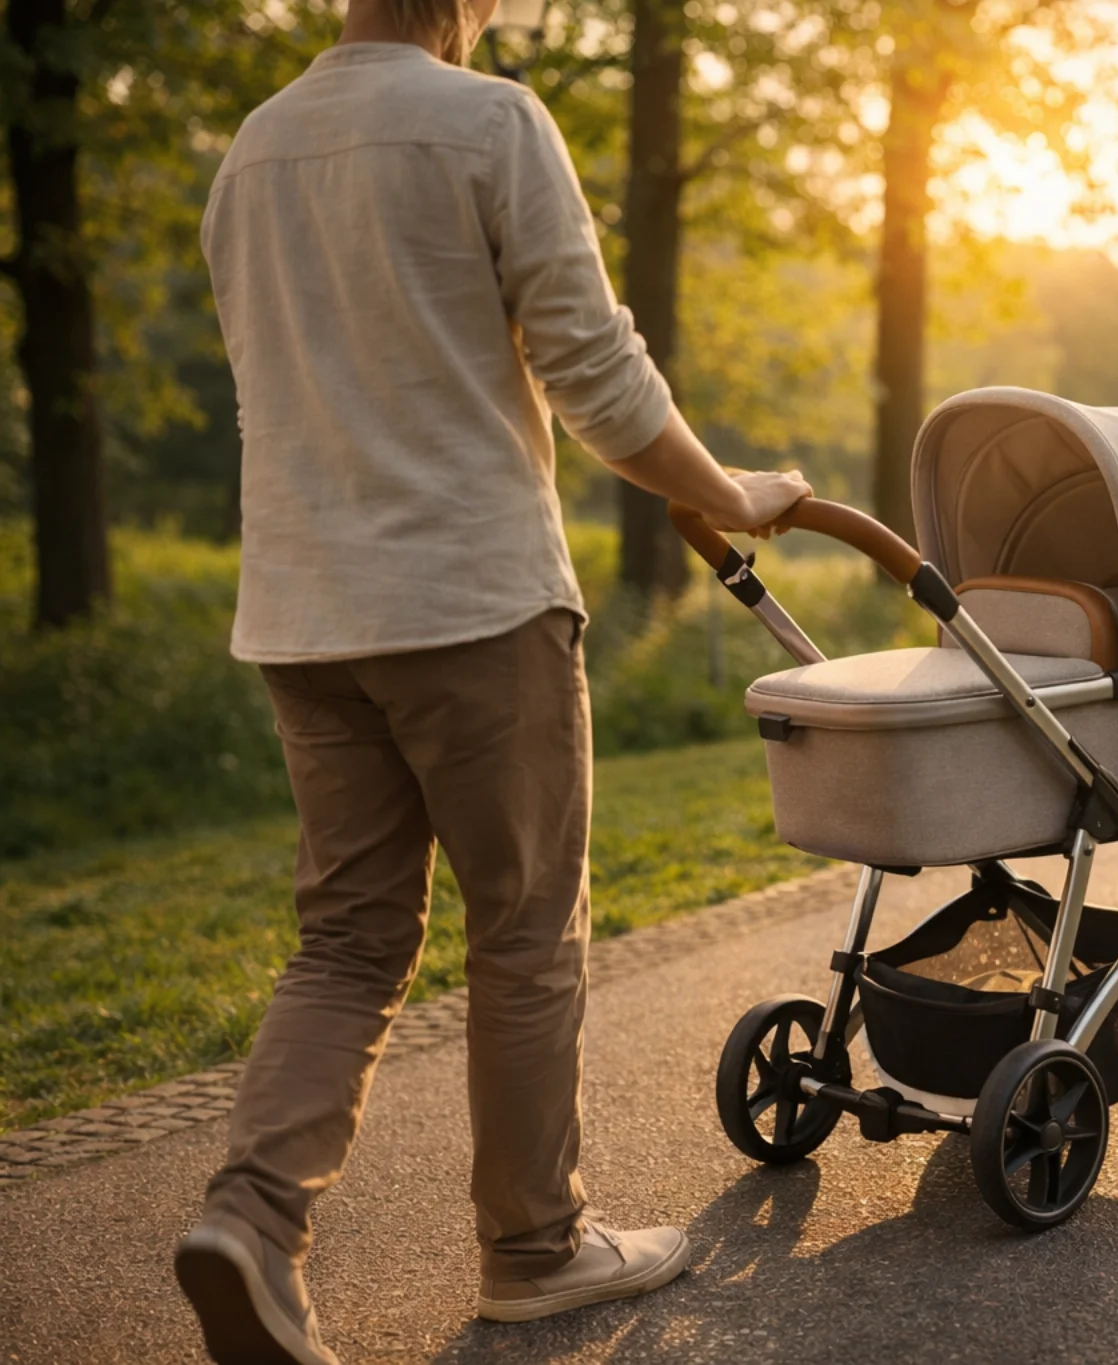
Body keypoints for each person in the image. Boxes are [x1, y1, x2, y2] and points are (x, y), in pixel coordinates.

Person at [171, 2, 810, 1360]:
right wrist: (735, 492)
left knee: (348, 937)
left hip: (303, 608)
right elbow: (599, 376)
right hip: (468, 601)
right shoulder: (489, 121)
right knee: (524, 931)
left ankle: (252, 1218)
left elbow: (268, 392)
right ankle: (533, 1247)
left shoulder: (254, 149)